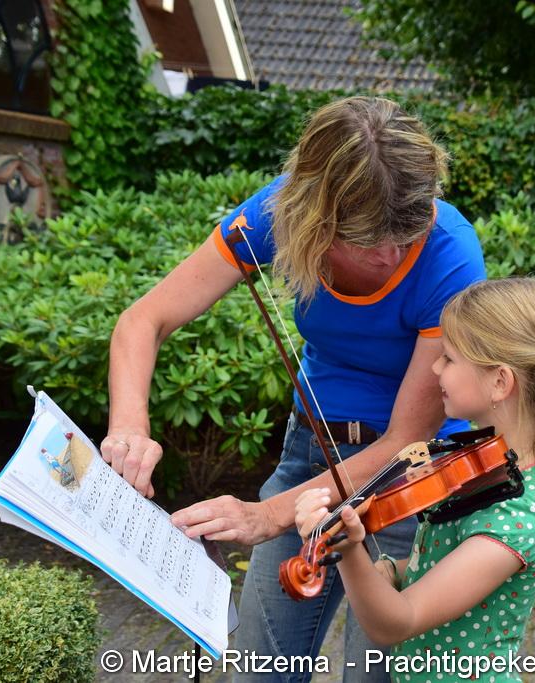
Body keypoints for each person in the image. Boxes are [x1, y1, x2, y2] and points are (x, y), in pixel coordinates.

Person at [101, 96, 486, 682]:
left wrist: (265, 516)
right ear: (317, 220)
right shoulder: (281, 212)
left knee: (374, 673)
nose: (390, 255)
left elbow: (406, 440)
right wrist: (130, 425)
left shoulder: (451, 256)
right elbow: (143, 321)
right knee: (259, 670)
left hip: (411, 481)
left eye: (406, 235)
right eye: (368, 241)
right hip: (312, 452)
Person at [294, 277, 535, 683]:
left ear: (500, 382)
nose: (435, 367)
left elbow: (397, 622)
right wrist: (394, 571)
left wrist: (347, 550)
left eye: (449, 359)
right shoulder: (485, 468)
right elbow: (440, 561)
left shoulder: (519, 519)